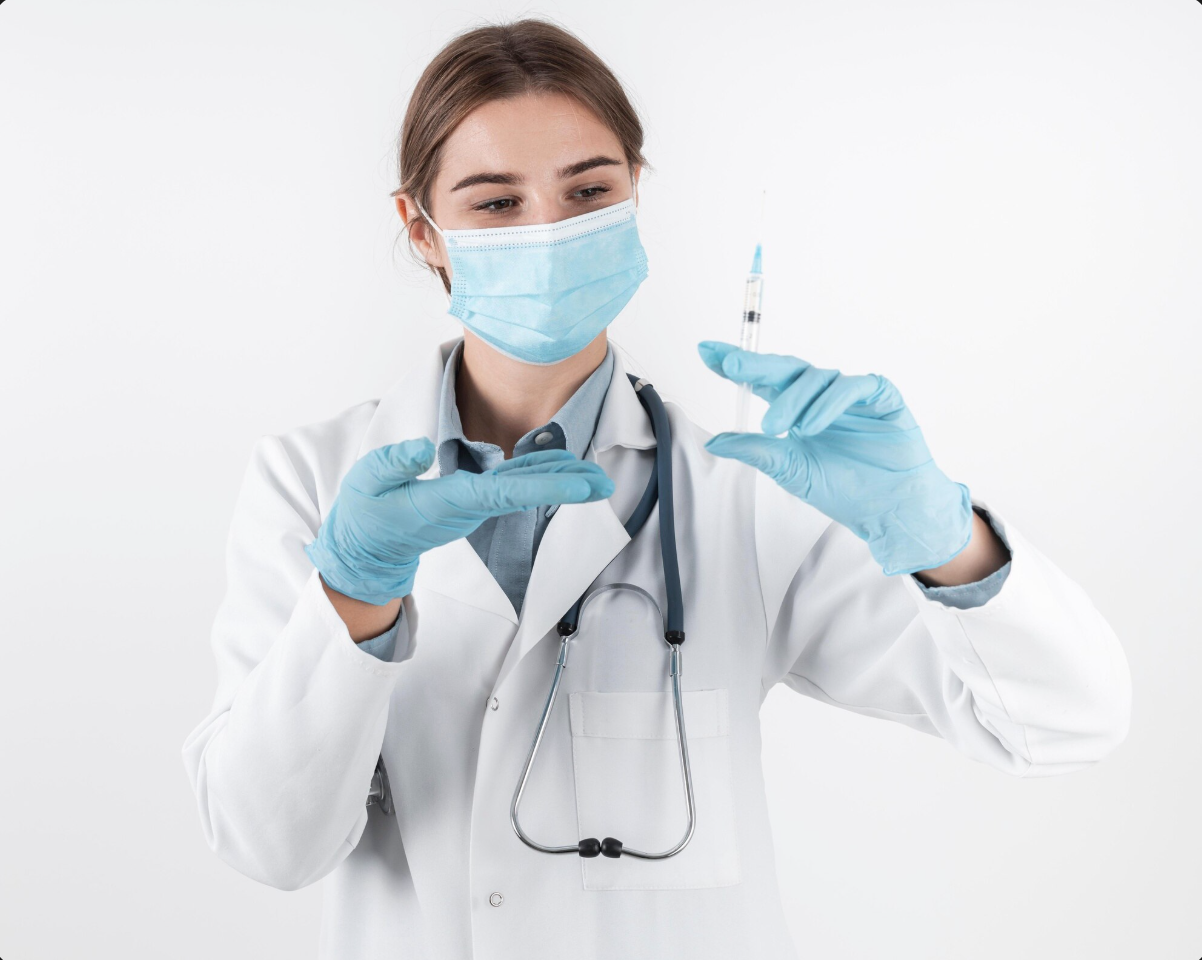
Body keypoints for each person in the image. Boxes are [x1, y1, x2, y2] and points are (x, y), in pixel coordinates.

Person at [181, 18, 1131, 960]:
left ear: (636, 191)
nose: (549, 232)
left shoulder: (744, 489)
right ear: (420, 229)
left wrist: (943, 538)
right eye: (496, 204)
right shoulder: (309, 481)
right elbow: (273, 846)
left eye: (588, 190)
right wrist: (353, 591)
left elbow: (1062, 722)